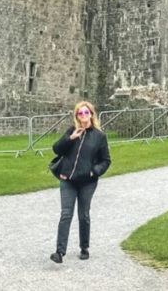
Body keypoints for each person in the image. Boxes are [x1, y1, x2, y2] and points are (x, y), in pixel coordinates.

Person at [49, 101, 111, 262]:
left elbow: (106, 160)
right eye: (80, 113)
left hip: (87, 182)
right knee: (66, 214)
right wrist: (70, 138)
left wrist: (94, 171)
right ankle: (59, 252)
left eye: (85, 113)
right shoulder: (72, 131)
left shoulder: (99, 136)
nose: (83, 116)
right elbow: (56, 149)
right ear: (77, 116)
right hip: (68, 180)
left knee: (83, 215)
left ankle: (84, 247)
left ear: (91, 114)